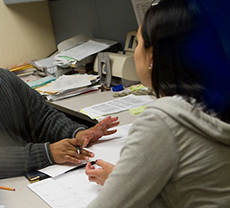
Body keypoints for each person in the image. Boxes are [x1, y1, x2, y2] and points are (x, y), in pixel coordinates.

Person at [0, 14, 119, 181]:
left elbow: (43, 118)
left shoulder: (3, 78)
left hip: (35, 179)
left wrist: (77, 134)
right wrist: (47, 153)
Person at [85, 0, 230, 207]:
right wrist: (124, 180)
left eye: (138, 43)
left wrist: (117, 189)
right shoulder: (217, 101)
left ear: (152, 57)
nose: (135, 52)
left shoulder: (162, 120)